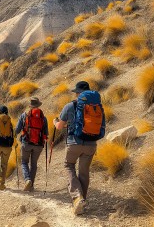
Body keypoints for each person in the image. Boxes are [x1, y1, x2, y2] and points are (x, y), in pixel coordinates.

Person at [53, 81, 106, 215]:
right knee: (84, 171)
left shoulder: (70, 106)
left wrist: (55, 122)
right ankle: (83, 200)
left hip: (74, 143)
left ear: (77, 93)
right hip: (91, 144)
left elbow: (60, 126)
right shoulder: (97, 106)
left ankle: (77, 198)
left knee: (68, 166)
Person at [15, 97, 48, 192]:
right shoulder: (43, 118)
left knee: (24, 162)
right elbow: (46, 133)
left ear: (30, 106)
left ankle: (27, 180)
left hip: (26, 143)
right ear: (38, 105)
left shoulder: (24, 115)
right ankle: (31, 186)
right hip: (39, 145)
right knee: (34, 164)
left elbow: (17, 130)